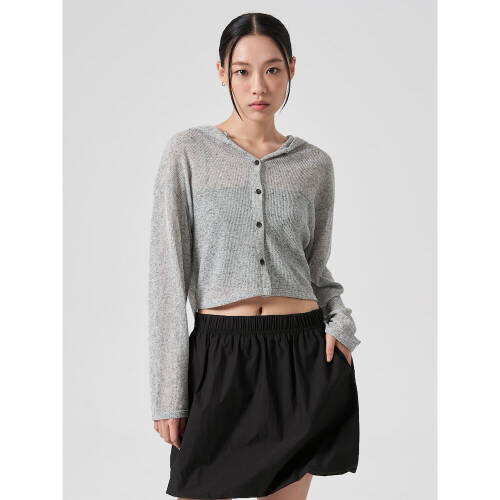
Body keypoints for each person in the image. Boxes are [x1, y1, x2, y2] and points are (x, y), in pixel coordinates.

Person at [148, 12, 361, 500]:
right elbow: (166, 278)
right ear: (222, 72)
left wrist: (342, 323)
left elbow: (314, 269)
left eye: (272, 69)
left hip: (301, 360)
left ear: (291, 69)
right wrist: (167, 393)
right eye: (242, 71)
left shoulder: (315, 165)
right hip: (220, 359)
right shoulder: (187, 153)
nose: (258, 86)